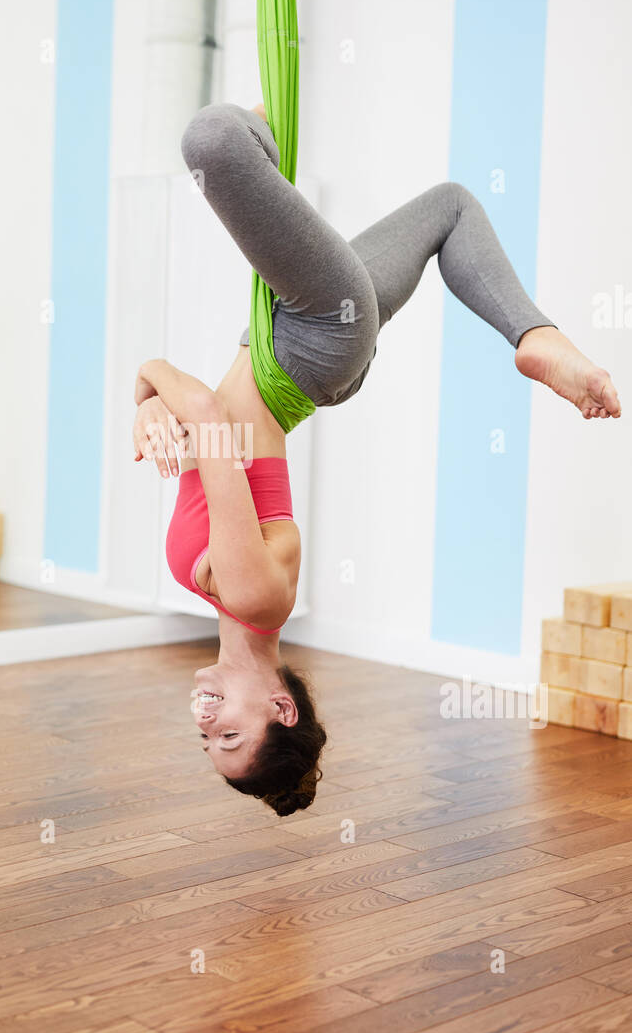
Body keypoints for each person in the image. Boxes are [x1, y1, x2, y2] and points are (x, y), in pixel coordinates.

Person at [133, 102, 621, 816]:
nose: (208, 726)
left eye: (209, 744)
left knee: (449, 209)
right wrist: (148, 375)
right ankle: (262, 133)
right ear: (282, 706)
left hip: (308, 350)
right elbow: (206, 415)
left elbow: (206, 427)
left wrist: (149, 406)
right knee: (211, 140)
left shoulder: (231, 602)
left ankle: (534, 332)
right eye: (231, 733)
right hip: (310, 337)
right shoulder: (253, 598)